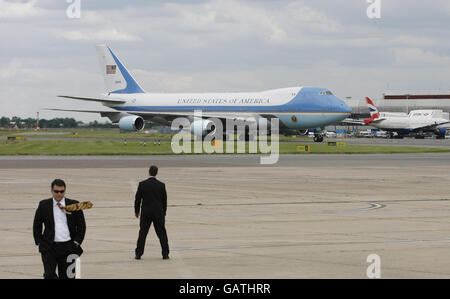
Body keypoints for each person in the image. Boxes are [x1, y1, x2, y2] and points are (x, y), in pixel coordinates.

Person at [33, 179, 86, 279]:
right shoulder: (44, 205)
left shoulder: (74, 205)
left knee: (69, 276)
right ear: (51, 191)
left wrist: (77, 242)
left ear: (65, 191)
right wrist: (39, 241)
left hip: (69, 247)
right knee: (49, 275)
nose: (59, 194)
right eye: (56, 191)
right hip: (49, 247)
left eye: (62, 191)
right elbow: (37, 224)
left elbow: (81, 226)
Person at [134, 165, 169, 260]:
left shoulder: (142, 184)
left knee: (143, 233)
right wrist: (164, 212)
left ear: (148, 172)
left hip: (146, 212)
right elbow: (164, 201)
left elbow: (138, 199)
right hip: (158, 213)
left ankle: (138, 254)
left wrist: (137, 211)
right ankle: (165, 254)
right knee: (162, 233)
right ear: (156, 173)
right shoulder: (161, 185)